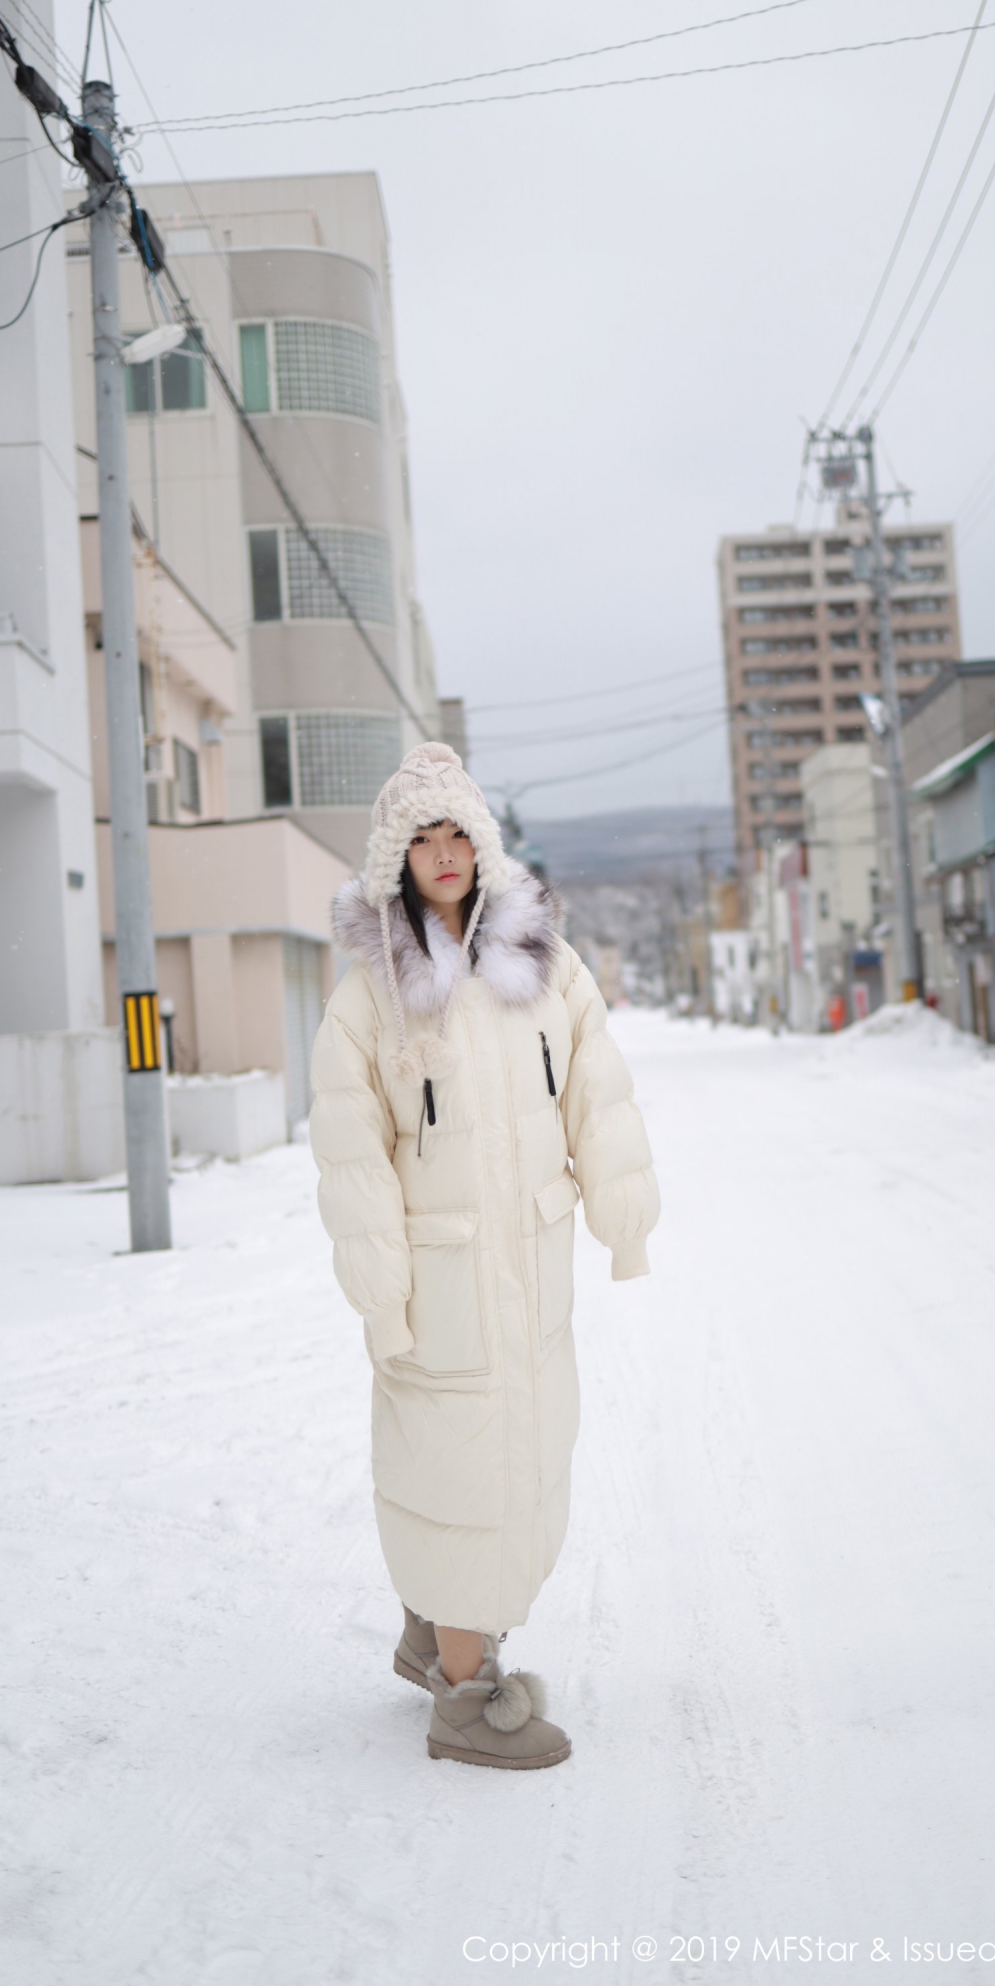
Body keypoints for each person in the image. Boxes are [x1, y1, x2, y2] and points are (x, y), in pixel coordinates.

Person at [309, 742, 659, 1770]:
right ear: (395, 856)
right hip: (440, 1288)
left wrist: (624, 1214)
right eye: (422, 836)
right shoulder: (369, 998)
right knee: (456, 1472)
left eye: (457, 830)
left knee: (523, 1458)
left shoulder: (545, 966)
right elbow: (351, 1159)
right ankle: (467, 1699)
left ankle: (433, 1634)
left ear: (484, 843)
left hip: (532, 1278)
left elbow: (599, 1091)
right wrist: (383, 1292)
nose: (444, 851)